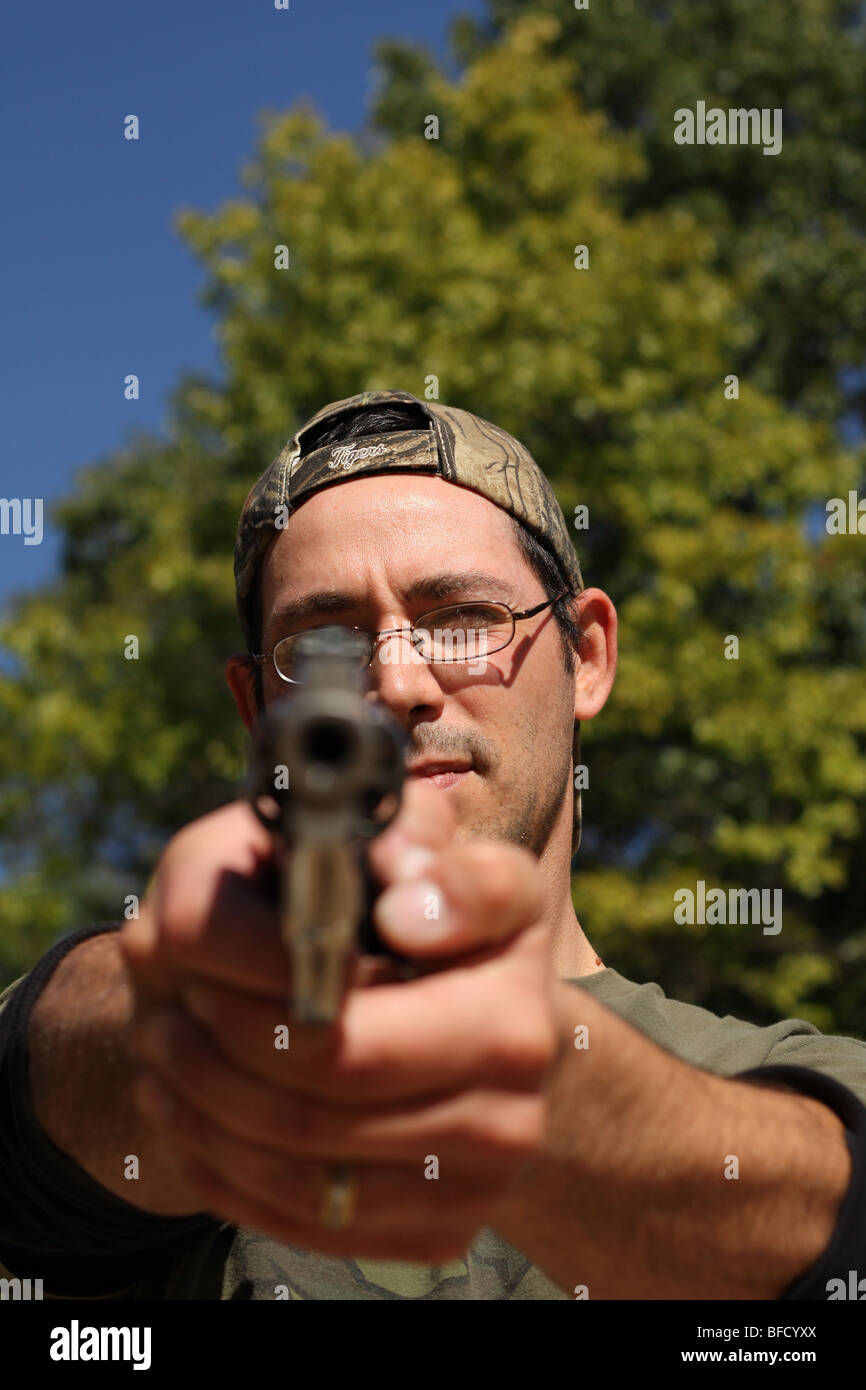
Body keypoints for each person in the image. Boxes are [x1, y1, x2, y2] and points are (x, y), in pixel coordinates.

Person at [1, 388, 864, 1301]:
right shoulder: (198, 999)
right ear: (259, 709)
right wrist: (191, 1007)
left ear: (589, 656)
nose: (398, 681)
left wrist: (534, 1082)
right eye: (324, 644)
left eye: (463, 619)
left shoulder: (786, 1080)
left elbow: (828, 1214)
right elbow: (38, 1102)